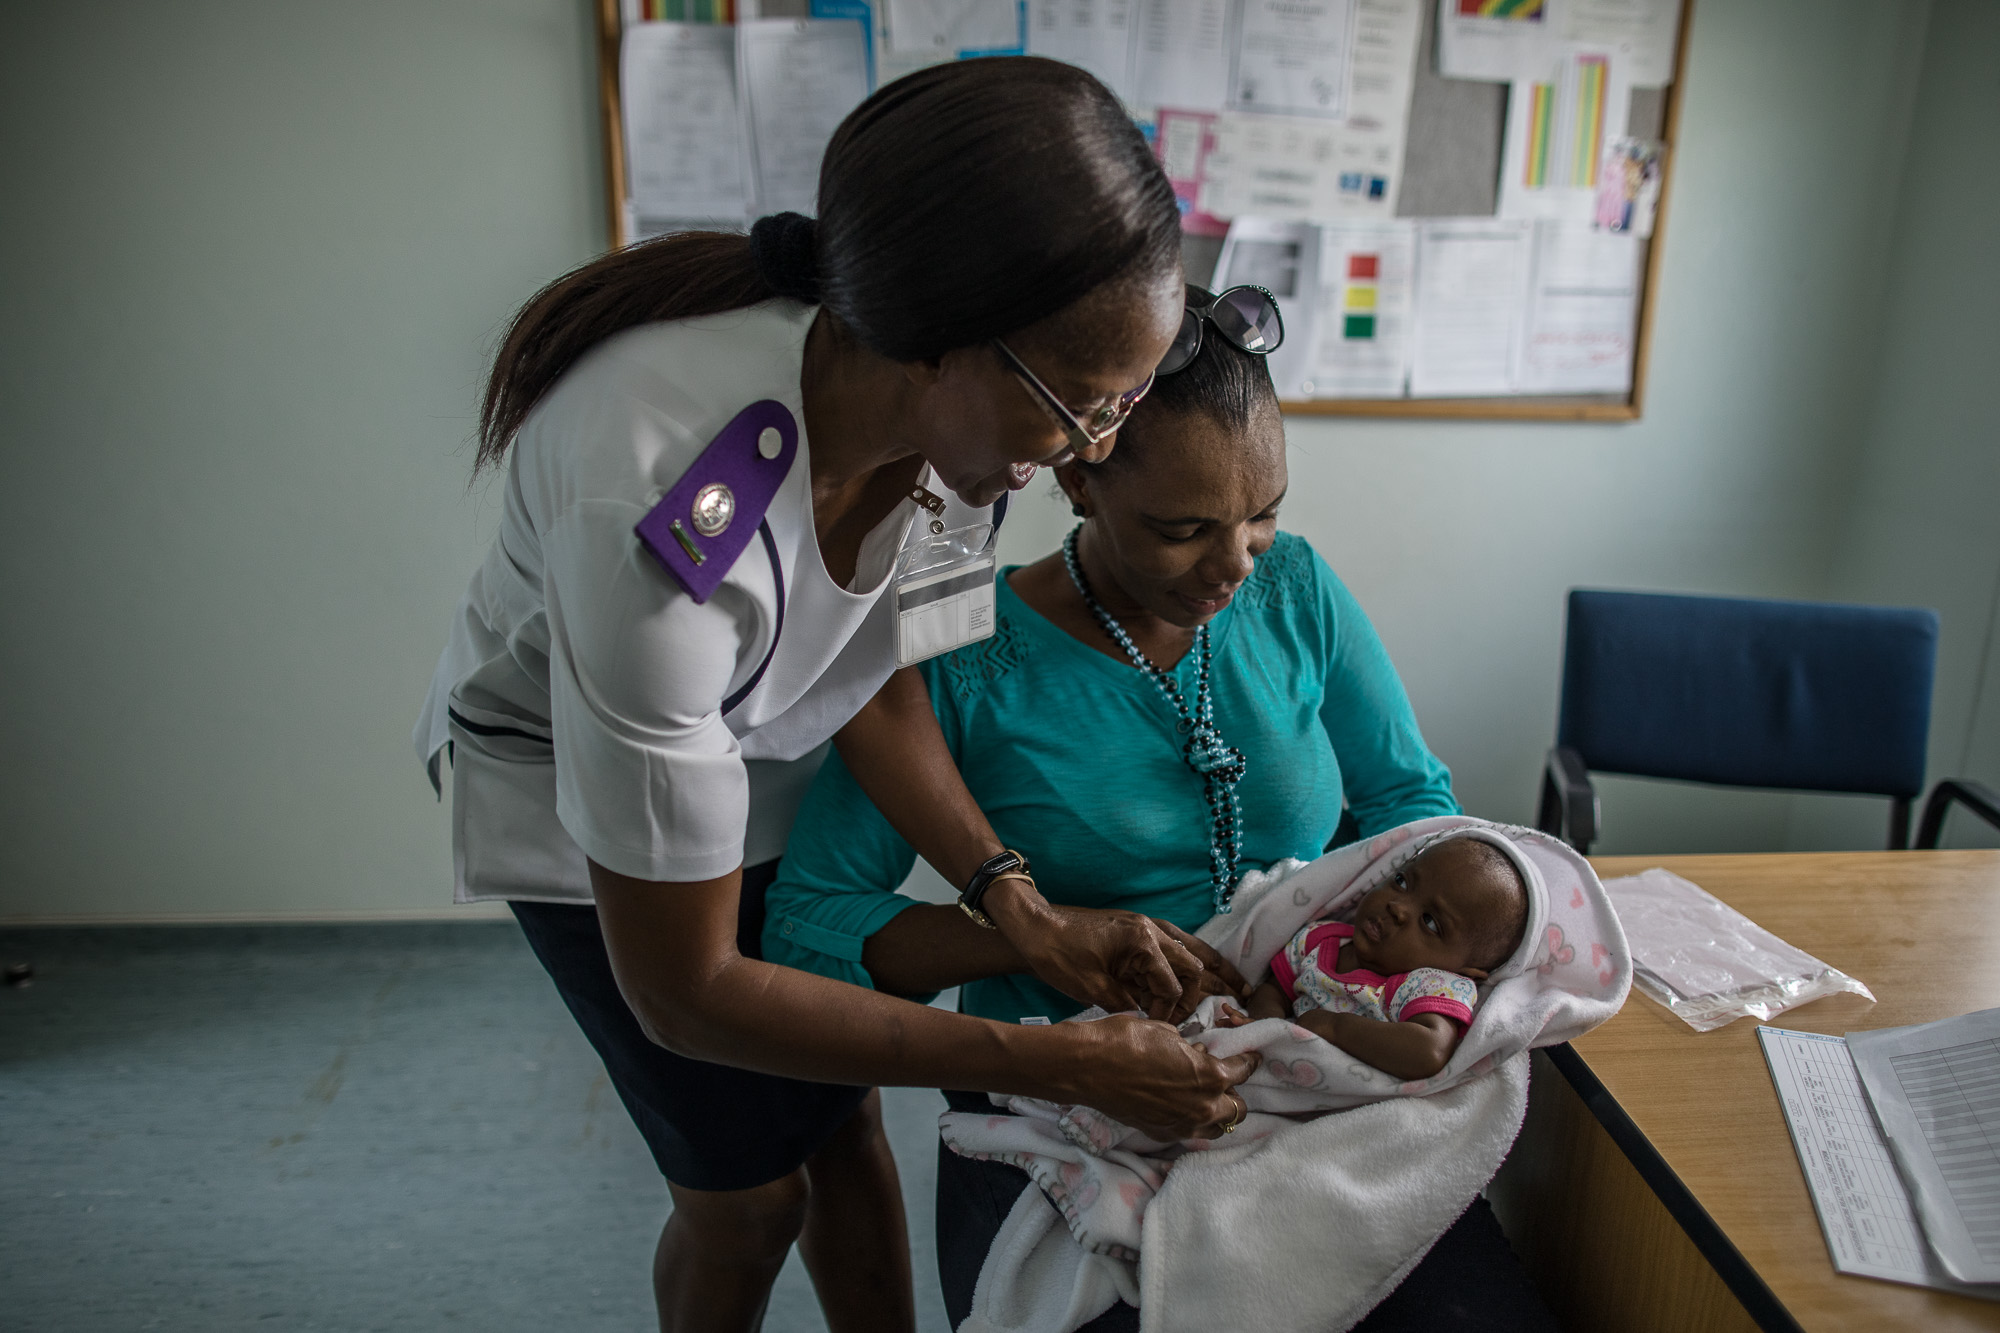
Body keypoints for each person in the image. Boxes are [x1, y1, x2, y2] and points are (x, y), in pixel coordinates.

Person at [412, 59, 1256, 1333]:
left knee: (841, 1114)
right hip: (574, 795)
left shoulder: (965, 441)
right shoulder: (660, 514)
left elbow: (880, 678)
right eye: (1081, 406)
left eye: (1120, 400)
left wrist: (1018, 909)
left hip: (749, 736)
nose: (1090, 451)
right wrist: (1046, 1054)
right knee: (745, 1199)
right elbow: (684, 988)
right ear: (941, 345)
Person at [763, 293, 1554, 1329]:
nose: (1232, 566)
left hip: (1310, 1075)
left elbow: (1411, 808)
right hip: (1062, 1093)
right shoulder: (964, 654)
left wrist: (1377, 989)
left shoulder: (1295, 591)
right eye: (1181, 530)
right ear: (1075, 471)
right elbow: (806, 923)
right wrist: (1032, 944)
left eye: (1260, 514)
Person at [1222, 831, 1532, 1080]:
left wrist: (1334, 1028)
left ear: (1467, 969)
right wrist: (1267, 1028)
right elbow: (1274, 988)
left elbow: (1429, 1051)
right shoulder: (1319, 940)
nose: (1398, 908)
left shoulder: (1428, 985)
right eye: (1402, 881)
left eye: (1430, 922)